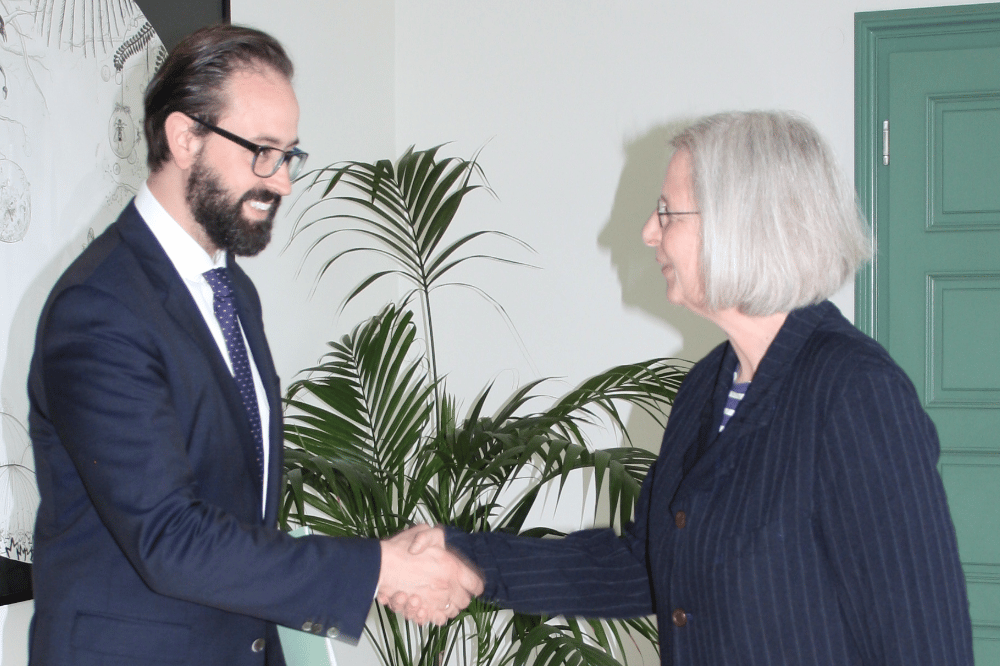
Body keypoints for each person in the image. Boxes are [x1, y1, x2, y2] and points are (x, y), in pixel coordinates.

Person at [402, 111, 975, 665]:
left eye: (667, 213)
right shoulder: (707, 386)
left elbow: (924, 641)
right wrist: (470, 560)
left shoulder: (855, 392)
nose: (648, 232)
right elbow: (645, 565)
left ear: (742, 222)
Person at [27, 24, 481, 666]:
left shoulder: (231, 290)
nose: (283, 182)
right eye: (263, 152)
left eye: (290, 155)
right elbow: (171, 539)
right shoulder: (100, 308)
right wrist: (377, 568)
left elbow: (237, 511)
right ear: (185, 138)